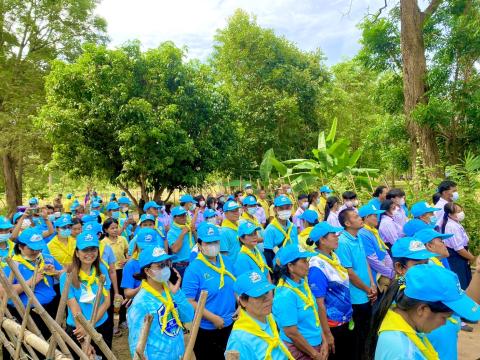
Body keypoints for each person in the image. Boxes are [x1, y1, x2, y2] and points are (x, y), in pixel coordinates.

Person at [372, 264, 480, 360]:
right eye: (445, 318)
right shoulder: (403, 352)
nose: (445, 323)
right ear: (422, 310)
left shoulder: (404, 321)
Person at [2, 228, 62, 359]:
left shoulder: (46, 258)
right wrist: (30, 282)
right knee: (25, 346)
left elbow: (63, 274)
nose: (36, 252)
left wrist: (56, 273)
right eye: (32, 248)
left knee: (48, 344)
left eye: (38, 248)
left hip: (49, 309)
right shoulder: (13, 264)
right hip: (25, 313)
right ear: (21, 247)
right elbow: (4, 291)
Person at [127, 245, 194, 359]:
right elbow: (136, 343)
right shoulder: (141, 302)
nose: (166, 269)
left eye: (167, 263)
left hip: (178, 355)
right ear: (148, 271)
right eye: (161, 265)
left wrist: (176, 292)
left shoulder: (171, 290)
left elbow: (188, 316)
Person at [183, 223, 237, 360]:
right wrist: (213, 318)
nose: (213, 245)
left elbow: (234, 286)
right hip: (207, 329)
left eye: (215, 241)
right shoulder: (194, 269)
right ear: (200, 245)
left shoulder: (226, 261)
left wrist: (240, 305)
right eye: (208, 242)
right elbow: (189, 301)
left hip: (231, 323)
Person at [60, 231, 112, 359]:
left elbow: (106, 302)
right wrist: (84, 338)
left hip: (101, 326)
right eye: (85, 250)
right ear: (77, 253)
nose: (89, 254)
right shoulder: (67, 277)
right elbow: (74, 308)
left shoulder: (102, 270)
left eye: (93, 249)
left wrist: (89, 326)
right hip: (78, 330)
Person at [307, 222, 354, 360]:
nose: (337, 236)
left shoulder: (333, 256)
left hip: (345, 319)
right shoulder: (316, 266)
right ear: (322, 240)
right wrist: (327, 334)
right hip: (333, 325)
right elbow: (319, 303)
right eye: (333, 234)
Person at [272, 244, 327, 359]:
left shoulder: (302, 283)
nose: (308, 264)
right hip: (301, 350)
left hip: (315, 345)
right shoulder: (285, 295)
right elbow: (291, 332)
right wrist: (315, 354)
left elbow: (314, 315)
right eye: (304, 261)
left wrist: (324, 341)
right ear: (291, 266)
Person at [336, 209, 376, 360]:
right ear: (347, 223)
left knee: (368, 330)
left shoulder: (357, 236)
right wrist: (367, 289)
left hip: (367, 292)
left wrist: (372, 283)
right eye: (356, 217)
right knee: (359, 334)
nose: (360, 218)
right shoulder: (343, 242)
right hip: (357, 296)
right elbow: (350, 273)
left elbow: (364, 261)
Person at [225, 270, 294, 359]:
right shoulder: (239, 341)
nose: (266, 299)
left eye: (266, 292)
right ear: (243, 301)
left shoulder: (268, 316)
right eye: (258, 296)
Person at [357, 205, 395, 293]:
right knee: (384, 298)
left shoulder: (373, 230)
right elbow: (372, 260)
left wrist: (391, 268)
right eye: (374, 216)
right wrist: (390, 273)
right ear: (366, 217)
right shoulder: (362, 234)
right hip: (377, 274)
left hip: (385, 269)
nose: (377, 218)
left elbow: (383, 250)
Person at [102, 218, 129, 335]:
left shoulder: (122, 239)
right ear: (105, 230)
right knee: (113, 296)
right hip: (111, 273)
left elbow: (127, 253)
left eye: (116, 227)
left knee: (123, 295)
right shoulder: (103, 243)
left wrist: (127, 260)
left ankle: (123, 319)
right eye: (111, 228)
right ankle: (113, 323)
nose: (114, 230)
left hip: (123, 272)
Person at [440, 202, 475, 292]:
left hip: (462, 255)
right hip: (456, 257)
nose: (461, 213)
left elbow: (463, 244)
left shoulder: (456, 223)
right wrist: (472, 258)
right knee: (462, 283)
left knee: (467, 280)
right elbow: (459, 249)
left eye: (461, 210)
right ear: (450, 214)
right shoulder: (452, 226)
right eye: (458, 211)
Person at [122, 228, 161, 301]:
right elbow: (127, 293)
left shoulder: (160, 261)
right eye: (143, 248)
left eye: (150, 248)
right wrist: (143, 286)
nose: (147, 251)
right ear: (136, 245)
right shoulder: (131, 265)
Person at [263, 195, 299, 268]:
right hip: (280, 266)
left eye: (287, 207)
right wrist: (272, 272)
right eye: (281, 208)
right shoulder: (270, 229)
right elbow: (267, 253)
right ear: (275, 209)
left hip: (294, 264)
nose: (285, 210)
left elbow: (296, 246)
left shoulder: (293, 227)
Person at [168, 206, 195, 278]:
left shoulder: (188, 226)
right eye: (180, 216)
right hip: (181, 266)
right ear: (174, 218)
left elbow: (197, 243)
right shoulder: (171, 232)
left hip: (193, 262)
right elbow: (175, 250)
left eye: (184, 215)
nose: (183, 217)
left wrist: (194, 232)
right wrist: (183, 233)